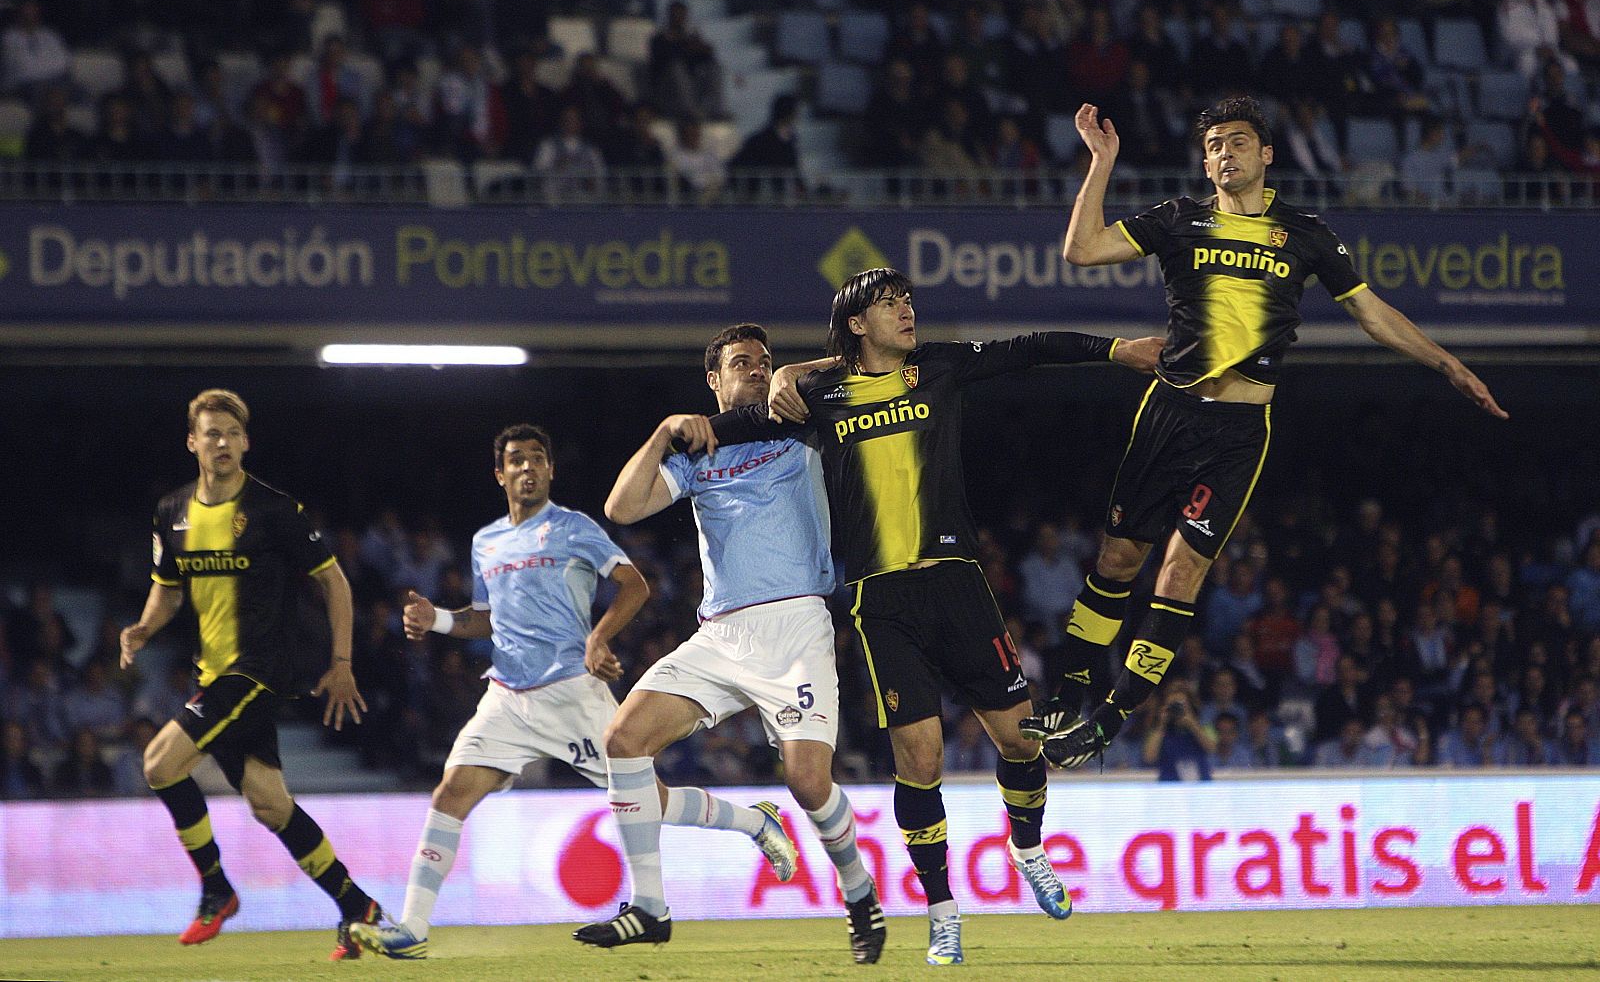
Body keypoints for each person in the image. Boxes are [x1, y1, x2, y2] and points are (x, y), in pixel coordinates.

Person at [1033, 95, 1508, 771]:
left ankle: (1109, 718)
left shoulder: (1306, 233)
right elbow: (1080, 250)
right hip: (1169, 411)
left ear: (1266, 155)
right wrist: (1102, 162)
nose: (1226, 153)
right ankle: (1072, 685)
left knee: (1181, 569)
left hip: (1237, 431)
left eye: (1238, 141)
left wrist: (1449, 364)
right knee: (1116, 562)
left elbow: (1372, 312)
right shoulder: (1179, 219)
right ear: (1206, 163)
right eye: (1215, 146)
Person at [716, 268, 1161, 965]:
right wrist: (674, 434)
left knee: (1022, 742)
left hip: (957, 585)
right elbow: (728, 425)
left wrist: (1118, 351)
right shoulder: (819, 395)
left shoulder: (941, 368)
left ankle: (1028, 846)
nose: (907, 310)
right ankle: (942, 909)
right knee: (919, 761)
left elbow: (1031, 346)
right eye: (890, 303)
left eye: (908, 300)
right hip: (880, 600)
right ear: (858, 323)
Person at [572, 323, 883, 962]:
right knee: (623, 742)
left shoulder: (800, 424)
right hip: (721, 633)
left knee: (806, 778)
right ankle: (651, 908)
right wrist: (664, 432)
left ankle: (858, 892)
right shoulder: (698, 455)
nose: (757, 371)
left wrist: (798, 373)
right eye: (742, 363)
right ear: (713, 381)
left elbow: (867, 360)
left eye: (764, 363)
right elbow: (621, 509)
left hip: (796, 623)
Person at [351, 425, 650, 959]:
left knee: (650, 803)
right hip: (508, 696)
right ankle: (414, 928)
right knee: (449, 794)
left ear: (550, 470)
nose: (527, 467)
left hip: (572, 693)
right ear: (500, 473)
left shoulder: (574, 527)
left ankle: (750, 820)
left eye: (538, 458)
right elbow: (486, 620)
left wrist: (599, 637)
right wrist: (436, 619)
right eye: (516, 460)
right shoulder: (485, 541)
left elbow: (636, 585)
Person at [119, 389, 383, 956]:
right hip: (212, 675)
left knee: (160, 765)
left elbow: (334, 582)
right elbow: (167, 591)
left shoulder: (273, 511)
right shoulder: (173, 512)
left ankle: (217, 890)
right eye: (211, 433)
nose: (223, 443)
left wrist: (342, 663)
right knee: (269, 803)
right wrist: (143, 628)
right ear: (193, 442)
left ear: (246, 443)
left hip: (258, 673)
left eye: (232, 434)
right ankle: (357, 905)